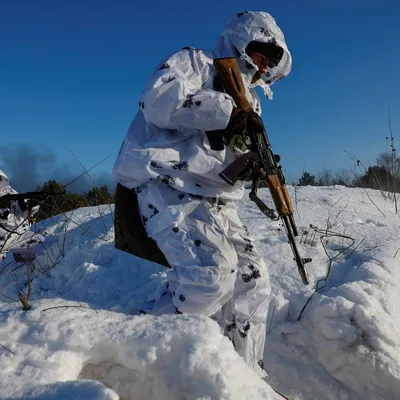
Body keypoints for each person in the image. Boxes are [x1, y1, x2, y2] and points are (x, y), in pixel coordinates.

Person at [112, 11, 292, 377]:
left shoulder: (251, 101)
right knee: (210, 275)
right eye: (260, 52)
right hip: (167, 183)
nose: (262, 64)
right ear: (244, 40)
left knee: (254, 280)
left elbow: (225, 158)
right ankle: (127, 354)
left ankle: (244, 376)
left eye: (270, 61)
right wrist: (225, 110)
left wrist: (251, 166)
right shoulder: (197, 62)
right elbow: (157, 100)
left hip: (218, 198)